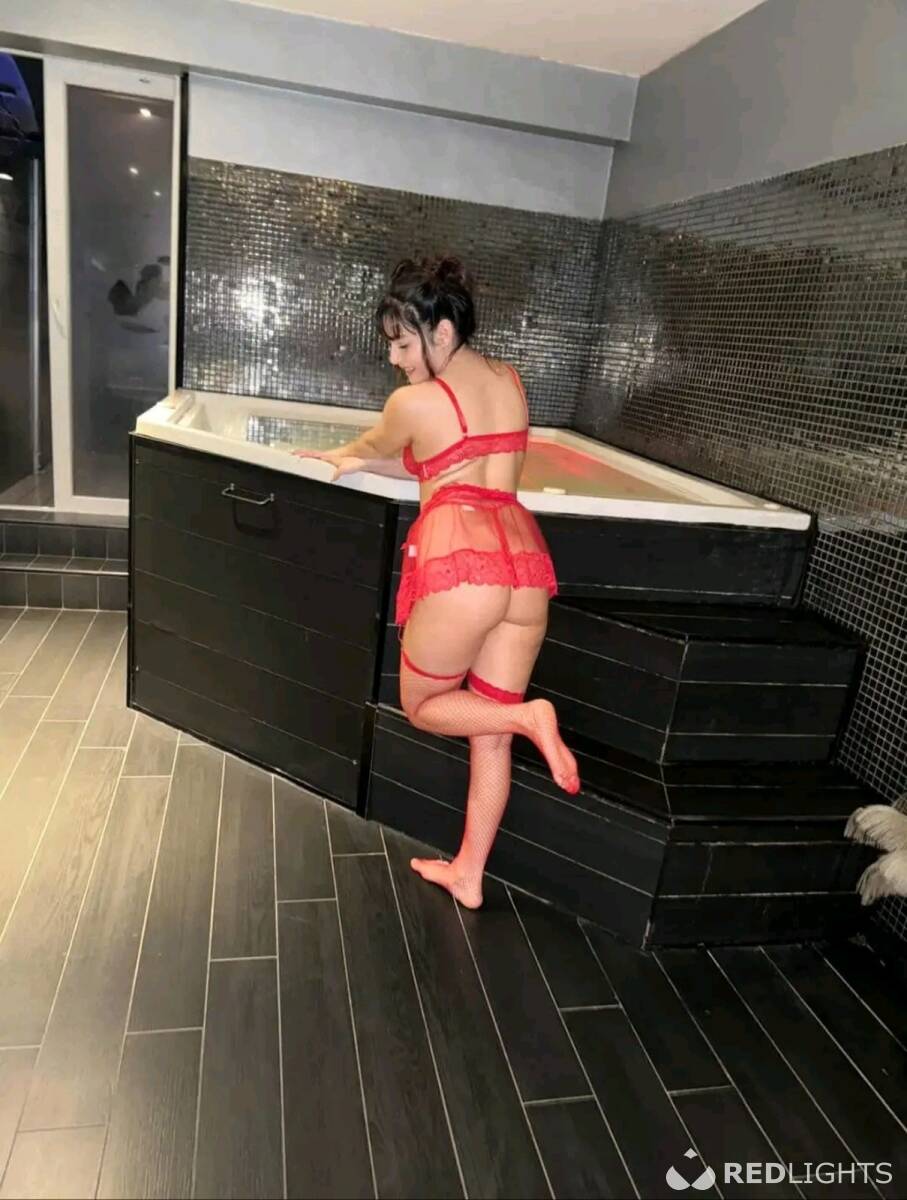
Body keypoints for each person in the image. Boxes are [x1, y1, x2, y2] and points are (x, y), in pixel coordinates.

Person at [294, 256, 579, 909]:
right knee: (489, 734)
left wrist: (344, 456)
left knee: (424, 706)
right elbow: (444, 462)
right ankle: (469, 873)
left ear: (441, 332)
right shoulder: (509, 380)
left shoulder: (413, 402)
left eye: (402, 343)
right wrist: (366, 462)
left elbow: (375, 444)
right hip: (522, 563)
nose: (394, 359)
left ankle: (530, 717)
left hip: (463, 563)